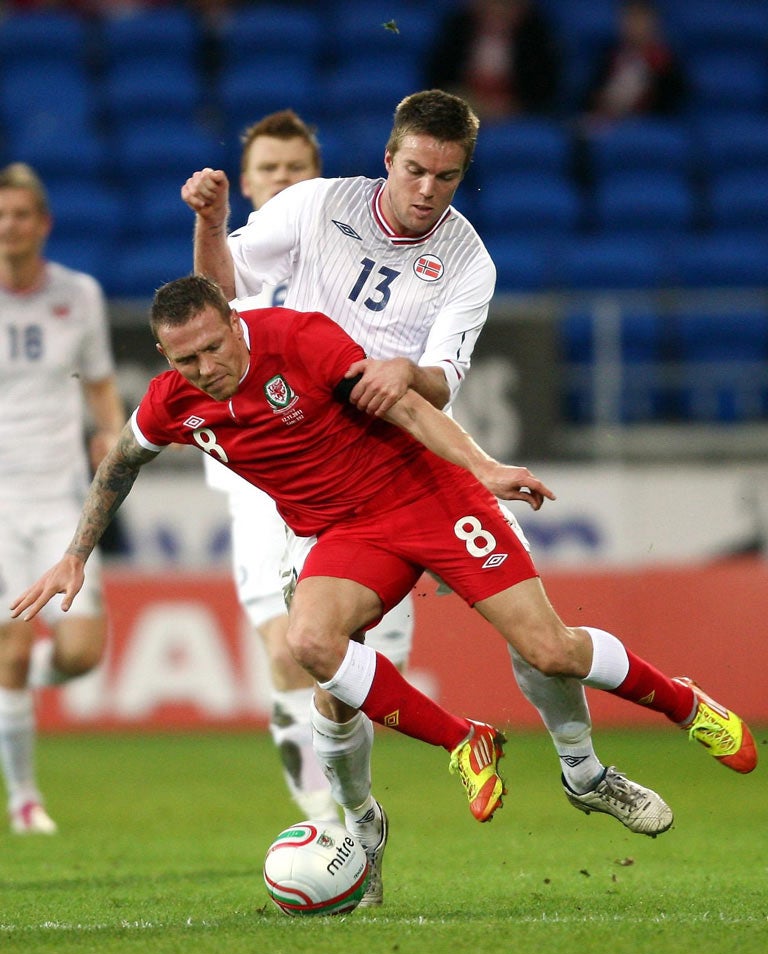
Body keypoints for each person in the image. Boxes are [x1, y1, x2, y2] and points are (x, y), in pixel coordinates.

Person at [10, 277, 756, 873]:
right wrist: (77, 552)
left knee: (551, 651)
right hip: (348, 534)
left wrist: (484, 466)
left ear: (235, 323)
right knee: (309, 644)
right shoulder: (175, 403)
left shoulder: (299, 337)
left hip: (428, 495)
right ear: (164, 359)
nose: (205, 370)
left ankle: (683, 705)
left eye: (212, 348)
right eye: (185, 361)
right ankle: (466, 741)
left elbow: (401, 404)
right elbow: (120, 461)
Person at [180, 88, 680, 902]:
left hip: (412, 473)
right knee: (336, 681)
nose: (426, 189)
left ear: (461, 174)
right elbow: (221, 295)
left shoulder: (469, 260)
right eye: (415, 169)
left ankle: (584, 769)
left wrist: (406, 377)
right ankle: (358, 831)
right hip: (313, 496)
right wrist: (210, 220)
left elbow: (441, 382)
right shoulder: (313, 208)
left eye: (446, 176)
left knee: (536, 636)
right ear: (389, 159)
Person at [204, 109, 414, 823]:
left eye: (296, 168)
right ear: (249, 181)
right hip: (259, 487)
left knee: (363, 672)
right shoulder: (231, 267)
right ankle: (326, 820)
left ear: (315, 175)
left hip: (362, 480)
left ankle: (351, 808)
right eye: (269, 169)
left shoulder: (352, 258)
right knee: (291, 648)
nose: (283, 180)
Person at [0, 162, 124, 834]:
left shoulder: (79, 295)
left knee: (80, 653)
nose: (9, 226)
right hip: (0, 500)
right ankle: (24, 800)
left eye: (21, 214)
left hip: (64, 501)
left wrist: (111, 433)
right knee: (13, 650)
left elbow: (100, 384)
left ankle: (4, 697)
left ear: (42, 223)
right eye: (1, 215)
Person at [424, 0, 561, 120]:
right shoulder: (458, 29)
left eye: (506, 4)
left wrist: (509, 106)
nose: (498, 10)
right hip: (463, 104)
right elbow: (439, 77)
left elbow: (544, 87)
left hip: (516, 111)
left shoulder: (536, 35)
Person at [580, 0, 687, 125]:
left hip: (650, 125)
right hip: (607, 124)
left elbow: (675, 101)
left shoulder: (667, 61)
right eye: (630, 19)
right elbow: (587, 96)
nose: (635, 26)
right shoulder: (607, 56)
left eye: (641, 19)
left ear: (654, 23)